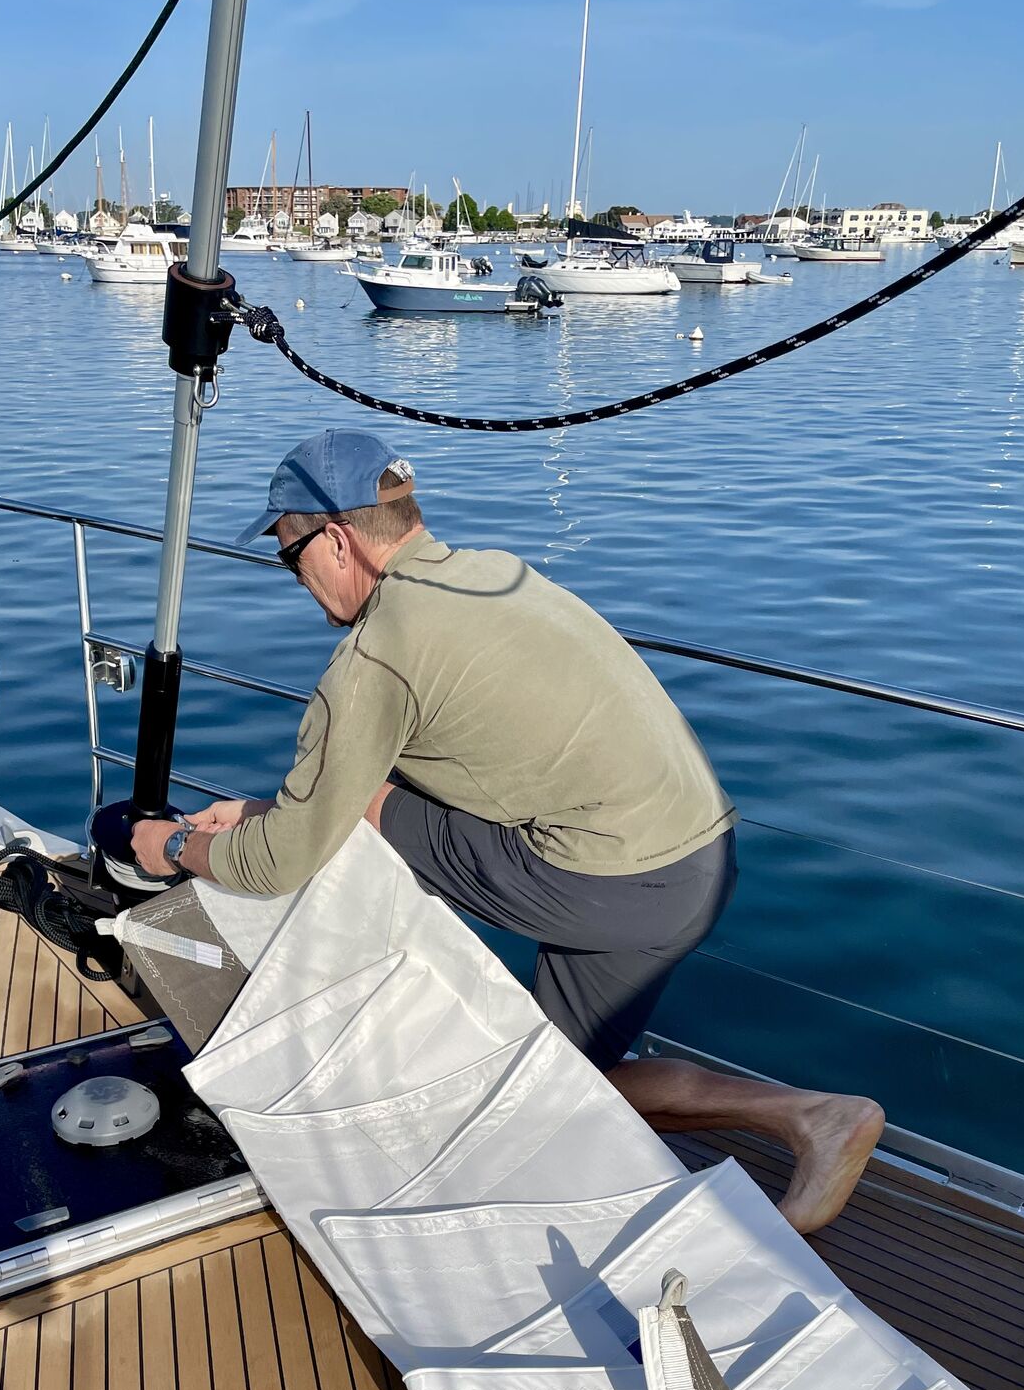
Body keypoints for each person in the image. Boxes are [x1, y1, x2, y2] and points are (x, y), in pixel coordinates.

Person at [130, 428, 882, 1232]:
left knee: (357, 821)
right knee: (559, 1081)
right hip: (698, 854)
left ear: (338, 540)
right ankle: (810, 1115)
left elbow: (282, 862)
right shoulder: (494, 572)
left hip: (610, 883)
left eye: (290, 556)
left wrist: (173, 846)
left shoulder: (377, 655)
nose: (295, 579)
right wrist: (262, 815)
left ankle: (365, 1037)